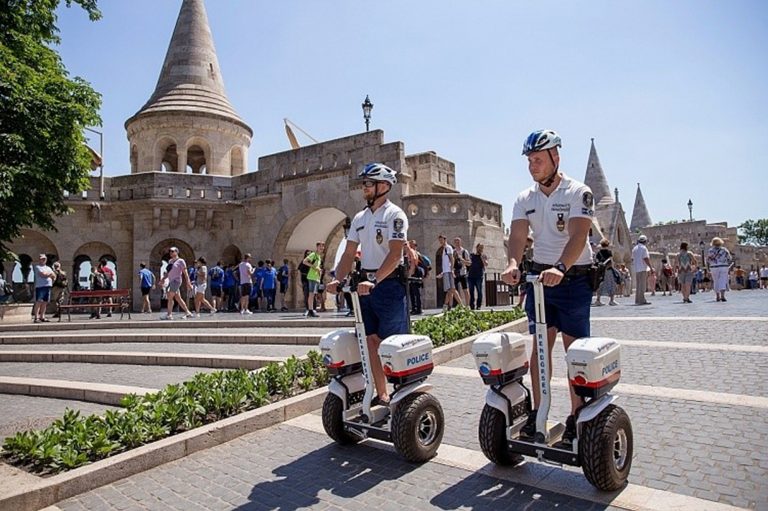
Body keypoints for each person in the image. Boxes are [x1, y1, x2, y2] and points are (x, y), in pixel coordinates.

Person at [500, 129, 595, 446]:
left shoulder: (577, 192)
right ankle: (538, 413)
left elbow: (578, 235)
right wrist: (514, 263)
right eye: (529, 160)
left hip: (574, 279)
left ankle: (577, 416)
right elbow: (517, 236)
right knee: (539, 350)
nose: (532, 165)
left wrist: (562, 267)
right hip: (541, 282)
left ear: (556, 156)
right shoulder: (525, 198)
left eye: (538, 159)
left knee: (575, 353)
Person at [327, 163, 410, 406]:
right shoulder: (360, 218)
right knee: (371, 340)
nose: (364, 187)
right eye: (364, 183)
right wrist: (337, 279)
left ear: (384, 186)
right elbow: (348, 253)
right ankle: (382, 394)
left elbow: (395, 254)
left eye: (369, 183)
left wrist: (373, 280)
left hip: (388, 284)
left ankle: (403, 394)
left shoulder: (395, 215)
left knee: (391, 342)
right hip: (365, 285)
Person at [161, 247, 194, 320]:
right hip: (171, 281)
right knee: (178, 298)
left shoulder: (181, 261)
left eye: (172, 251)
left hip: (176, 281)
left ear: (177, 252)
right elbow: (168, 272)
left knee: (170, 296)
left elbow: (185, 273)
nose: (171, 253)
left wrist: (188, 283)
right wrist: (163, 279)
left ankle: (169, 315)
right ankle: (188, 312)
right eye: (170, 251)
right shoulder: (170, 261)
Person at [436, 234, 463, 311]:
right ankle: (449, 306)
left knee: (452, 289)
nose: (440, 242)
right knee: (450, 289)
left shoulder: (448, 248)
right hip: (446, 271)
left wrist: (451, 270)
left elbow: (452, 259)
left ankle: (460, 305)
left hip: (448, 271)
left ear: (445, 239)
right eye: (439, 240)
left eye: (441, 240)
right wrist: (442, 273)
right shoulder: (444, 249)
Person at [302, 242, 325, 317]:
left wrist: (319, 272)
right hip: (311, 277)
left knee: (313, 294)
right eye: (320, 246)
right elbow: (304, 261)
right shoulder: (313, 254)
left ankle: (311, 310)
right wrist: (314, 267)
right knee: (311, 294)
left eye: (323, 246)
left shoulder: (319, 256)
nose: (321, 248)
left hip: (316, 278)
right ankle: (310, 310)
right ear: (317, 247)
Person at [593, 238, 617, 306]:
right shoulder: (609, 252)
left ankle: (598, 300)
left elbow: (596, 261)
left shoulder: (598, 253)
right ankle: (611, 300)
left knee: (600, 284)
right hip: (608, 270)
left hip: (600, 271)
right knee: (611, 284)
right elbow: (611, 262)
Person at [707, 237, 732, 302]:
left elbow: (708, 260)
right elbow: (729, 258)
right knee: (723, 280)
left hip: (714, 267)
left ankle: (717, 296)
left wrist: (708, 267)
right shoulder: (724, 250)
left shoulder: (710, 250)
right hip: (723, 266)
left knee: (716, 281)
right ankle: (723, 296)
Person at [32, 254, 55, 323]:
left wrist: (49, 275)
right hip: (40, 286)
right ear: (39, 260)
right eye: (42, 259)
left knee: (45, 302)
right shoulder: (37, 267)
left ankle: (42, 316)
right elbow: (43, 275)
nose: (43, 260)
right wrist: (49, 274)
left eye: (44, 259)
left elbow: (54, 275)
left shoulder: (48, 268)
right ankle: (36, 317)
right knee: (39, 302)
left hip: (48, 286)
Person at [632, 235, 652, 305]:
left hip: (637, 269)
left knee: (638, 285)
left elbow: (632, 259)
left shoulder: (634, 248)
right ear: (645, 241)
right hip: (643, 268)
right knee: (642, 286)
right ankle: (641, 300)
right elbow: (646, 258)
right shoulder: (644, 248)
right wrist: (651, 267)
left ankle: (638, 300)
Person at [467, 242, 488, 309]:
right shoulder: (472, 255)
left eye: (482, 248)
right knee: (471, 291)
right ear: (477, 248)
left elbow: (486, 264)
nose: (481, 249)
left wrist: (482, 258)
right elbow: (468, 263)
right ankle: (472, 305)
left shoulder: (483, 256)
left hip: (479, 276)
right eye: (480, 247)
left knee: (479, 291)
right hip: (471, 276)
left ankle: (478, 305)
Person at [452, 237, 471, 306]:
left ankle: (468, 305)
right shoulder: (453, 252)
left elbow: (469, 263)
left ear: (460, 242)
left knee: (465, 289)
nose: (457, 243)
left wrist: (462, 260)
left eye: (458, 241)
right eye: (455, 242)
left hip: (463, 272)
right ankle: (460, 304)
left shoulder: (464, 251)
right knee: (453, 289)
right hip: (455, 273)